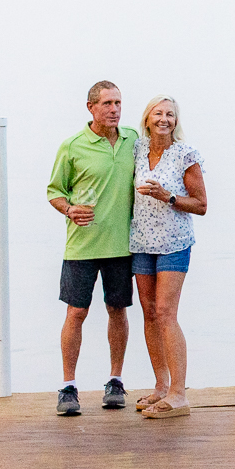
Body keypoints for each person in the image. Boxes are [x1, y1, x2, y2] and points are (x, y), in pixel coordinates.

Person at [46, 80, 138, 416]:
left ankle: (115, 380)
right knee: (77, 313)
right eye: (107, 104)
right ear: (91, 108)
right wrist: (69, 209)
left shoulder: (132, 140)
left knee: (118, 310)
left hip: (121, 246)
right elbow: (54, 191)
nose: (114, 110)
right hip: (81, 247)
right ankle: (68, 387)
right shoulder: (71, 147)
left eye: (118, 103)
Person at [130, 95, 207, 418]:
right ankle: (161, 386)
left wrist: (169, 196)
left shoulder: (185, 154)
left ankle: (179, 394)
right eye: (158, 114)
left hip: (175, 243)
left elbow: (201, 205)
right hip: (141, 242)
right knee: (148, 313)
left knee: (165, 312)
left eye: (171, 115)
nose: (164, 119)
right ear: (147, 119)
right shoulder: (137, 150)